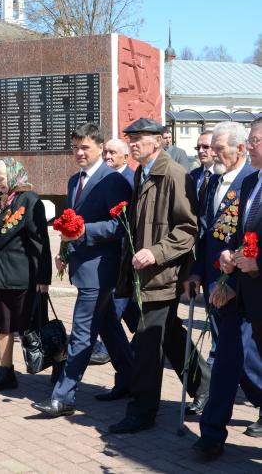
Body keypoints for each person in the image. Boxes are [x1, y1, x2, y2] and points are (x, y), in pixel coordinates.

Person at [110, 117, 211, 434]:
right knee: (168, 334)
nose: (133, 143)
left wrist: (156, 252)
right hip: (145, 274)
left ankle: (142, 410)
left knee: (147, 343)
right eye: (131, 138)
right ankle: (205, 384)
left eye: (139, 137)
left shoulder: (174, 174)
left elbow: (188, 228)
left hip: (163, 274)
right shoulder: (143, 171)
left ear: (158, 140)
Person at [31, 122, 133, 417]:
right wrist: (65, 251)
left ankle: (63, 396)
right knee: (109, 327)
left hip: (101, 270)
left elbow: (121, 226)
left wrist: (83, 232)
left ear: (100, 147)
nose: (78, 152)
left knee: (82, 332)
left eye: (84, 147)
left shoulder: (113, 181)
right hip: (81, 264)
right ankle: (130, 378)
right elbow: (69, 222)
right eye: (74, 147)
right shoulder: (75, 181)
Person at [0, 157, 52, 393]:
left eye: (2, 179)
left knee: (34, 326)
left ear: (15, 175)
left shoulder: (30, 200)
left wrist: (43, 278)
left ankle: (59, 366)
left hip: (24, 277)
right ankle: (6, 371)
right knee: (2, 324)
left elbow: (41, 243)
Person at [217, 117, 262, 445]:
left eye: (257, 140)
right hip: (246, 289)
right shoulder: (250, 183)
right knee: (243, 354)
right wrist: (231, 255)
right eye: (250, 139)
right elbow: (244, 233)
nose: (251, 145)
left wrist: (258, 261)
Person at [90, 138, 139, 367]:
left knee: (116, 302)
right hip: (108, 253)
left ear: (126, 157)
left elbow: (126, 223)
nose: (108, 156)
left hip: (124, 254)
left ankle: (105, 347)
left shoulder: (130, 180)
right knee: (126, 306)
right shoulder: (102, 178)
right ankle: (145, 336)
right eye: (106, 152)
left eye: (113, 153)